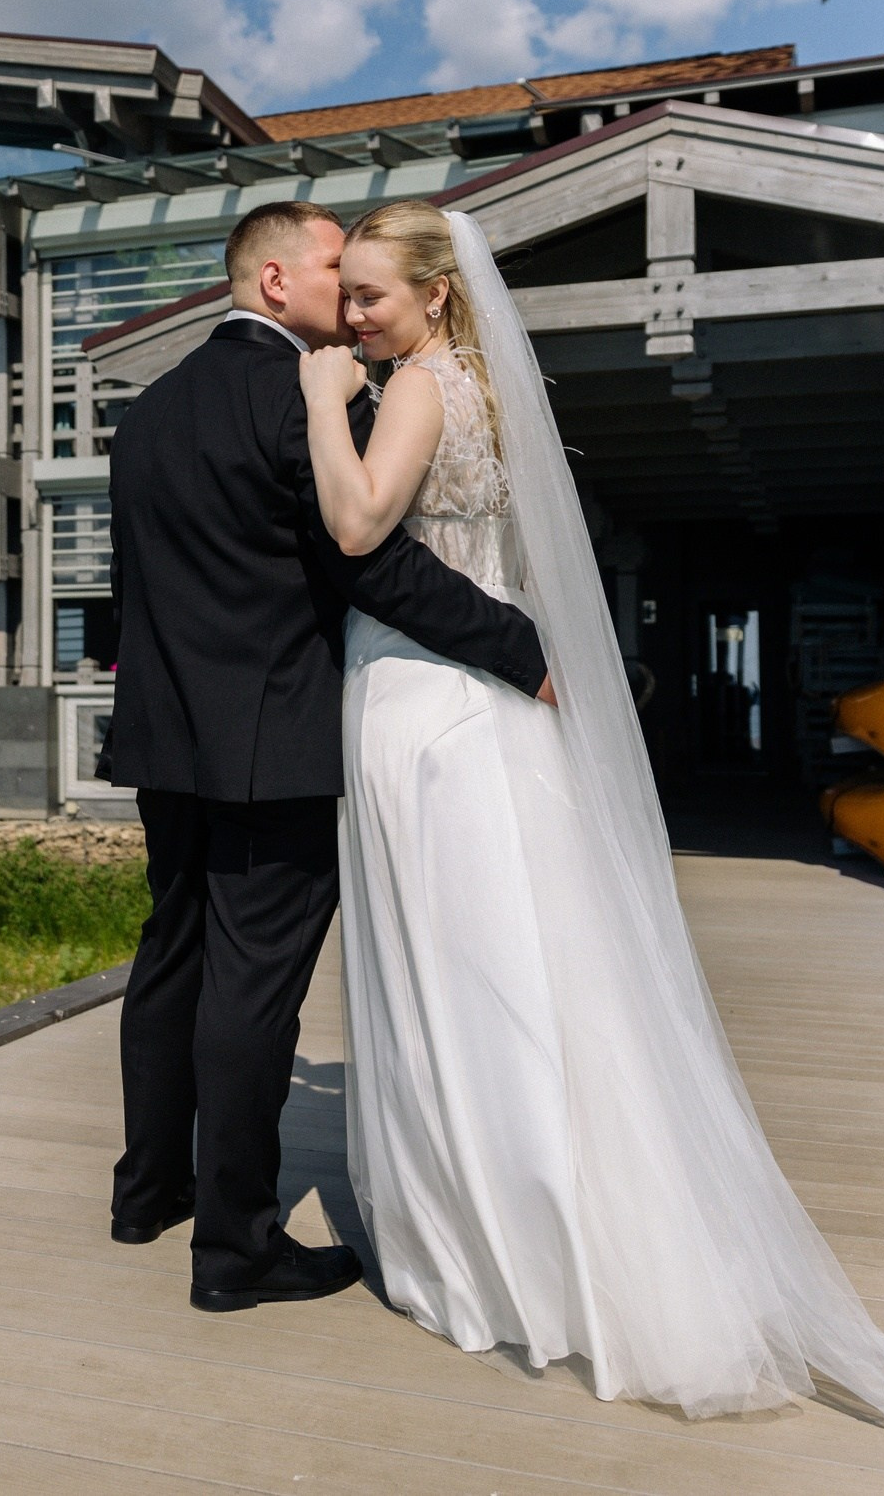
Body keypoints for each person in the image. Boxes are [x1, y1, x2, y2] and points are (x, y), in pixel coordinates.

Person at [295, 199, 884, 1460]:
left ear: (434, 296)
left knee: (454, 974)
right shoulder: (484, 395)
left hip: (423, 704)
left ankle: (492, 1250)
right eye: (343, 295)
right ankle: (555, 1237)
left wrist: (316, 393)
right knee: (514, 966)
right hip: (477, 709)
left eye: (369, 294)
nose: (353, 314)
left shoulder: (408, 392)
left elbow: (358, 528)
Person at [99, 200, 553, 1313]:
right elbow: (372, 567)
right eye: (332, 270)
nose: (347, 296)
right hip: (275, 737)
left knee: (171, 961)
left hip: (167, 735)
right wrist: (519, 648)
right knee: (255, 990)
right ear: (273, 284)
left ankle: (148, 1189)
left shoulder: (146, 413)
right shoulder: (306, 399)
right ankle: (236, 1248)